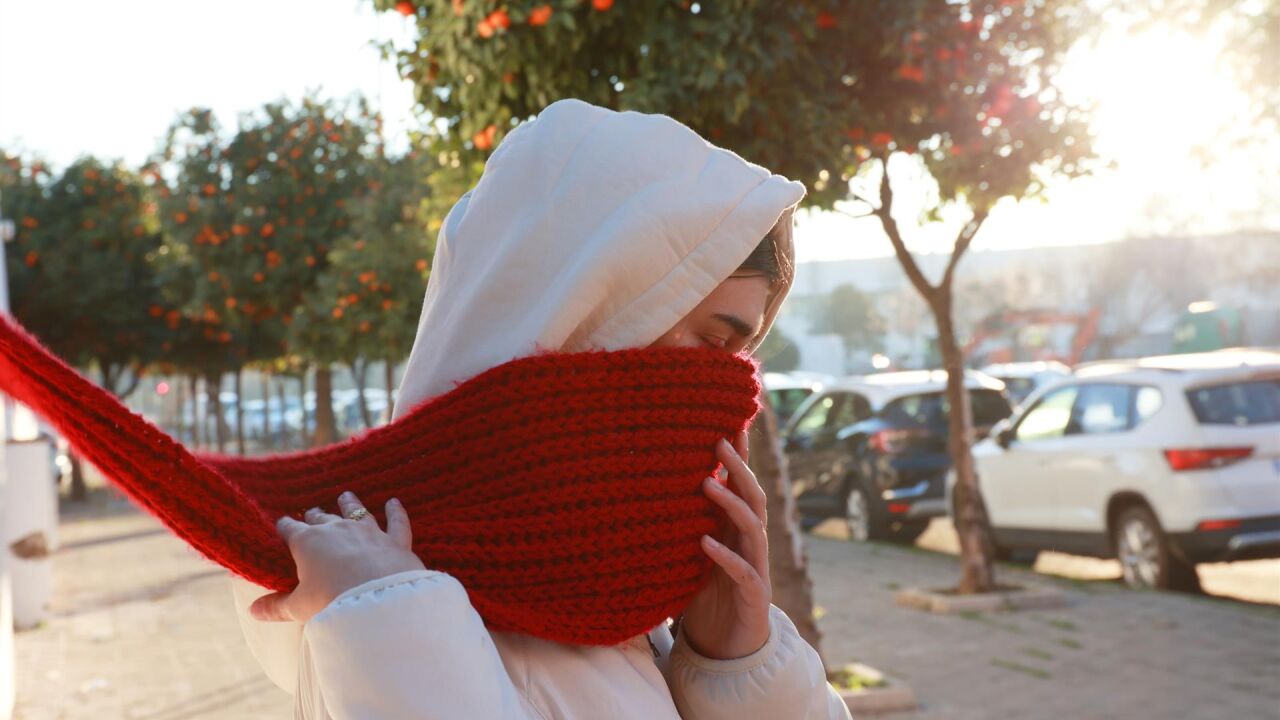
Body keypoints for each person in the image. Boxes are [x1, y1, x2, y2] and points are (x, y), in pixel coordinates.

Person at [229, 99, 852, 719]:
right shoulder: (370, 590)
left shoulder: (628, 599)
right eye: (705, 339)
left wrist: (737, 664)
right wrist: (385, 614)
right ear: (576, 306)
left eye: (728, 351)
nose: (708, 384)